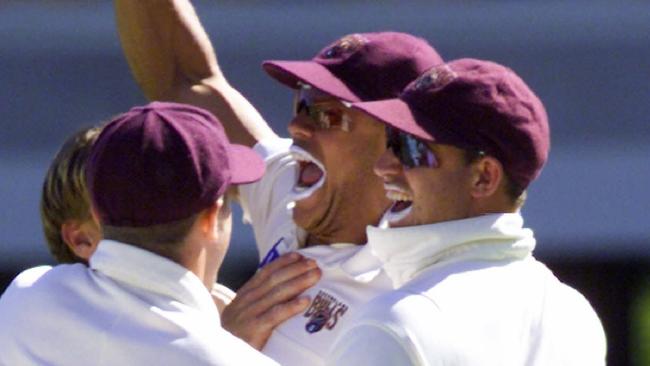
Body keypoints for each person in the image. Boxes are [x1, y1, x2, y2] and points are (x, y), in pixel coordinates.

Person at [115, 1, 444, 362]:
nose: (297, 127)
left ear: (396, 144)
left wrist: (222, 348)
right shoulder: (289, 182)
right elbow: (184, 79)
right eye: (303, 103)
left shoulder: (420, 290)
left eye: (327, 115)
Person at [326, 59, 607, 365]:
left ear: (484, 177)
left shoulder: (393, 323)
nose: (382, 166)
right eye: (390, 141)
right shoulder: (574, 313)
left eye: (410, 148)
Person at [0, 102, 295, 365]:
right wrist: (224, 344)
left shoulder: (25, 297)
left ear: (99, 213)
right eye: (231, 201)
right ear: (210, 216)